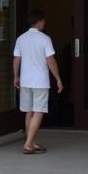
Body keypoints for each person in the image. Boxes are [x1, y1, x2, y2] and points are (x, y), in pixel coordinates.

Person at [13, 9, 63, 155]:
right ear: (40, 21)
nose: (44, 23)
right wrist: (58, 78)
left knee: (29, 111)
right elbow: (51, 61)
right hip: (40, 81)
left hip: (25, 80)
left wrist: (16, 76)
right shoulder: (45, 39)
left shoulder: (21, 38)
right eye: (44, 21)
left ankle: (31, 141)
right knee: (39, 111)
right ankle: (29, 144)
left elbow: (16, 59)